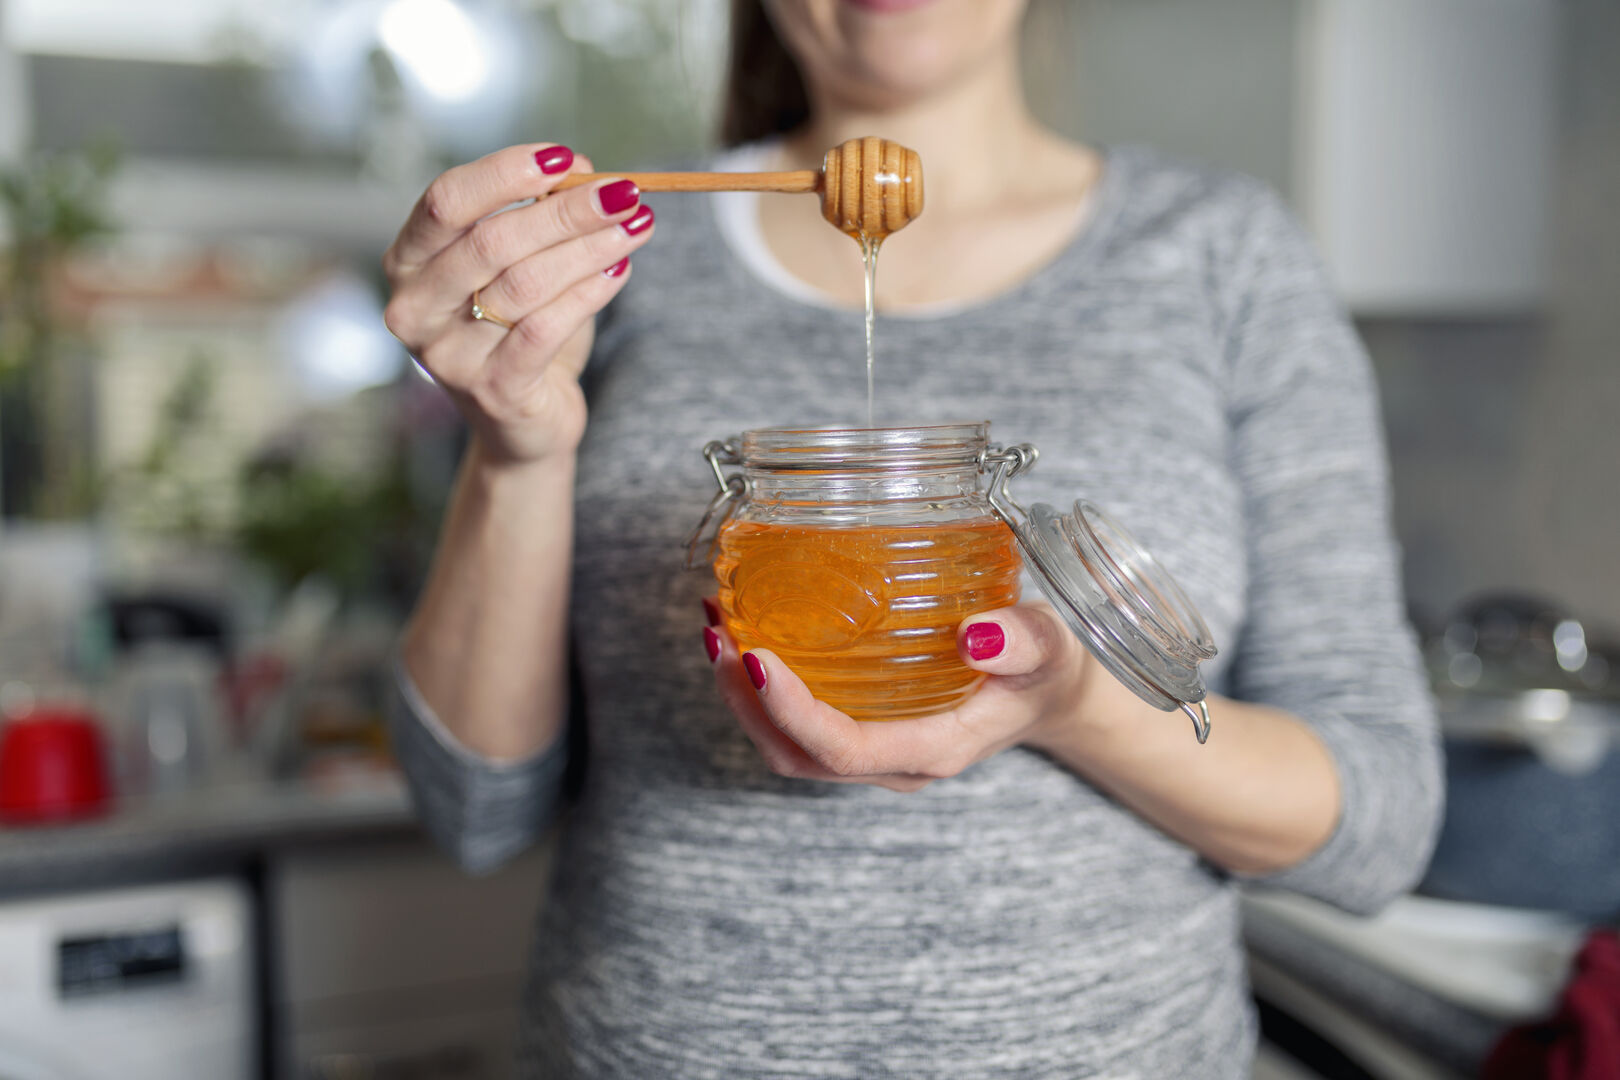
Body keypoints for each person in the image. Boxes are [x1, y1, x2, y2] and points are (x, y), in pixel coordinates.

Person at [380, 0, 1443, 1075]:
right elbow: (473, 813)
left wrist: (1075, 710)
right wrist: (517, 454)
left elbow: (1380, 821)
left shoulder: (1225, 254)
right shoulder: (603, 258)